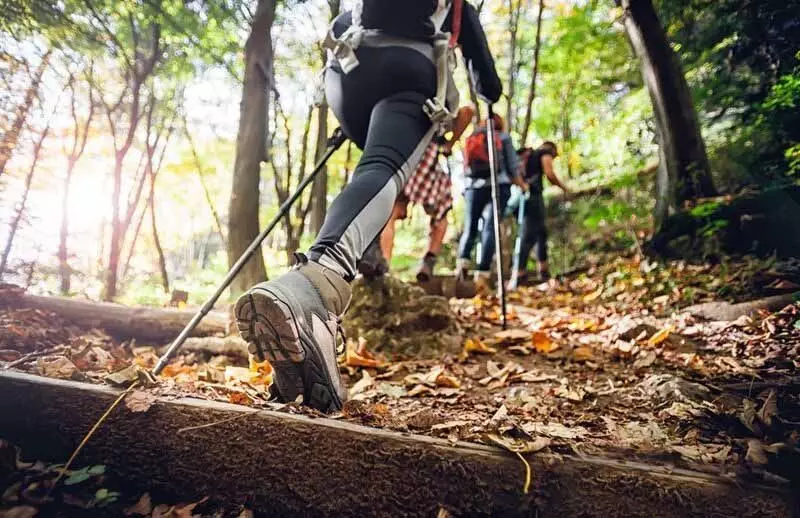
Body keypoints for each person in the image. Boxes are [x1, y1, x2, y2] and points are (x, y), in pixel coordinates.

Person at [234, 0, 502, 413]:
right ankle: (316, 290)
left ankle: (314, 333)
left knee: (371, 167)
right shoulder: (458, 8)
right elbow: (488, 85)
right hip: (405, 72)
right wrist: (484, 90)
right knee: (383, 168)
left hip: (346, 74)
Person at [359, 105, 475, 283]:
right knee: (441, 213)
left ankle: (383, 266)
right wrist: (449, 144)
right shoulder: (437, 100)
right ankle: (428, 261)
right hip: (426, 159)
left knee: (389, 214)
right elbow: (468, 111)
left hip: (399, 157)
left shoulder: (398, 106)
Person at [456, 113, 525, 289]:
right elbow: (512, 166)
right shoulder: (503, 137)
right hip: (498, 185)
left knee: (470, 227)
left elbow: (465, 167)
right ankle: (482, 272)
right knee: (490, 227)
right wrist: (522, 185)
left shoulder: (472, 137)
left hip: (473, 187)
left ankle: (462, 264)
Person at [512, 141, 570, 285]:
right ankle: (519, 274)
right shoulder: (544, 153)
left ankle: (543, 270)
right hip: (532, 196)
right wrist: (564, 188)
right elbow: (549, 173)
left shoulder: (529, 156)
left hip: (520, 197)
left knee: (540, 233)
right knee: (528, 235)